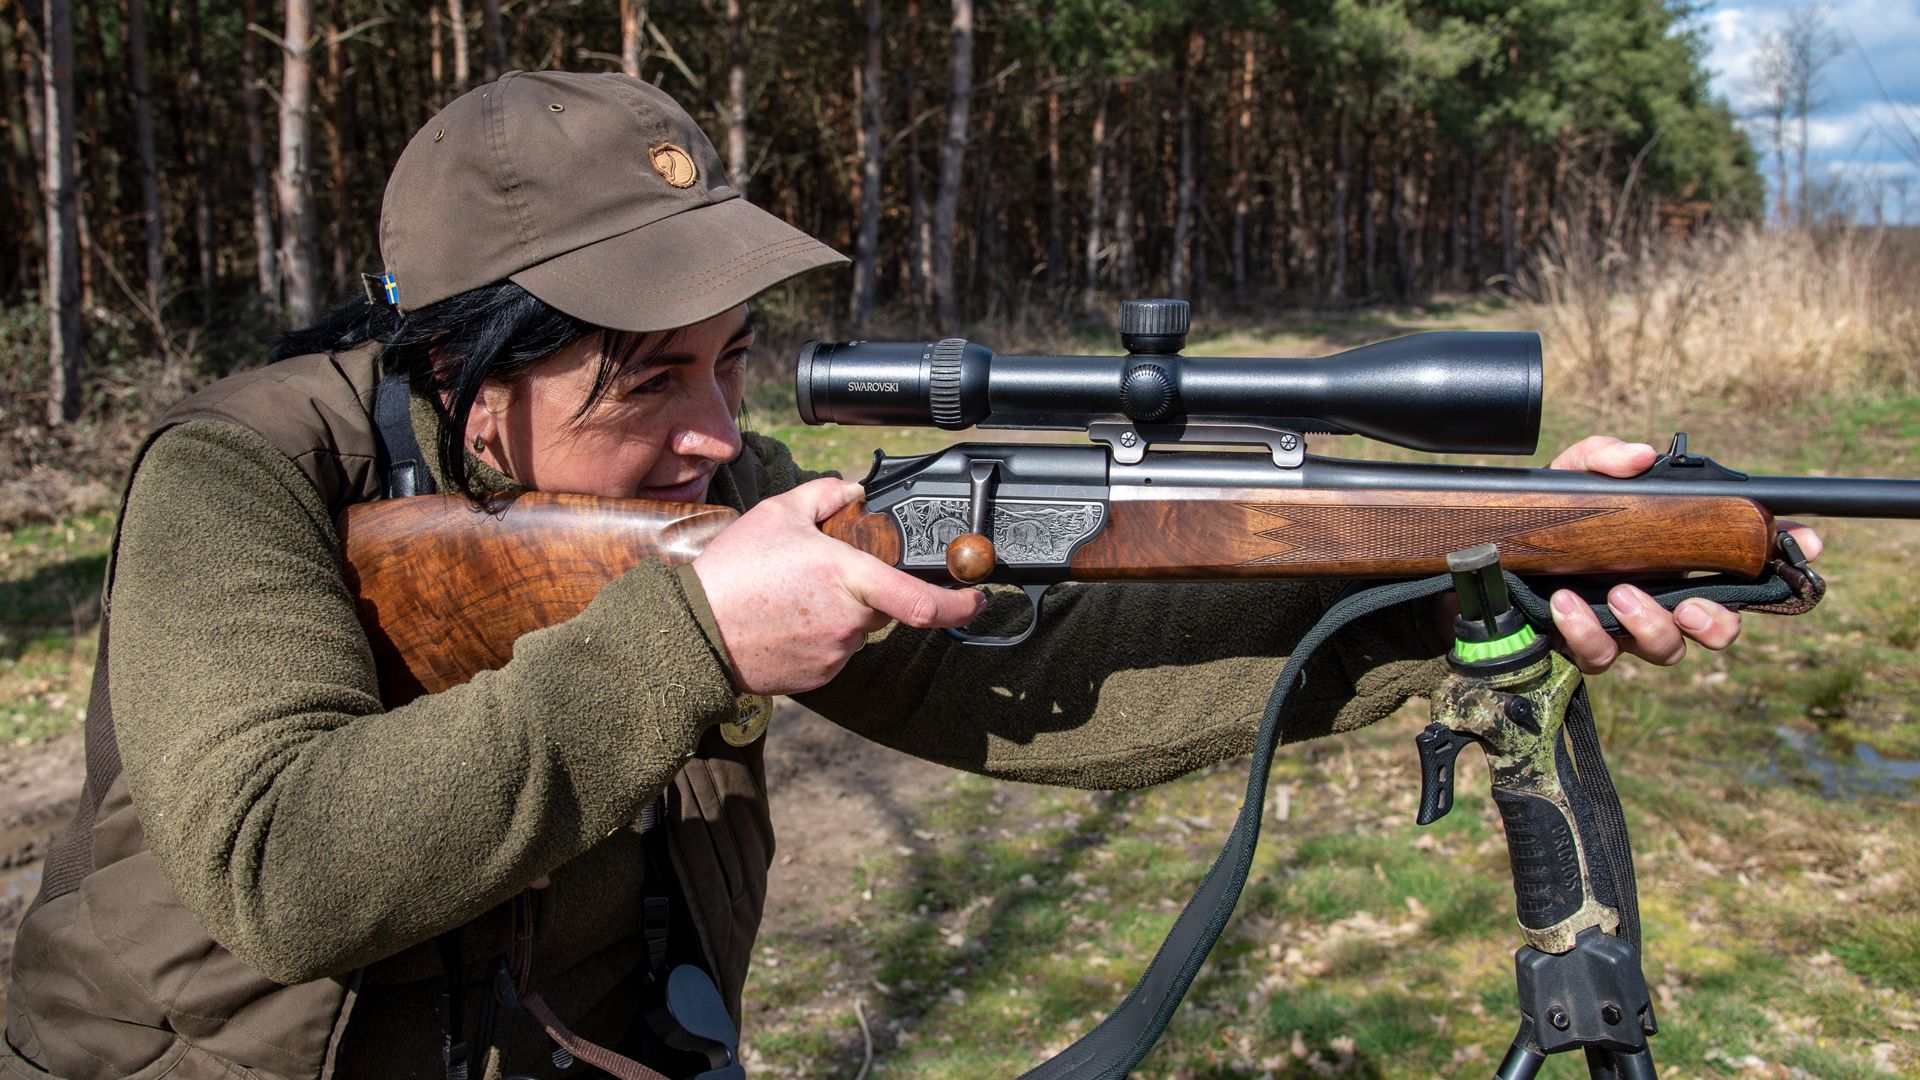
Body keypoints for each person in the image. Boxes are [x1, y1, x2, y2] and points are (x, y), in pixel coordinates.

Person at [2, 71, 1817, 1080]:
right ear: (471, 377)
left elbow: (1018, 686)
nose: (724, 429)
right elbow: (283, 866)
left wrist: (1445, 593)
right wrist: (685, 640)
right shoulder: (240, 476)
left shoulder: (730, 492)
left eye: (732, 355)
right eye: (654, 378)